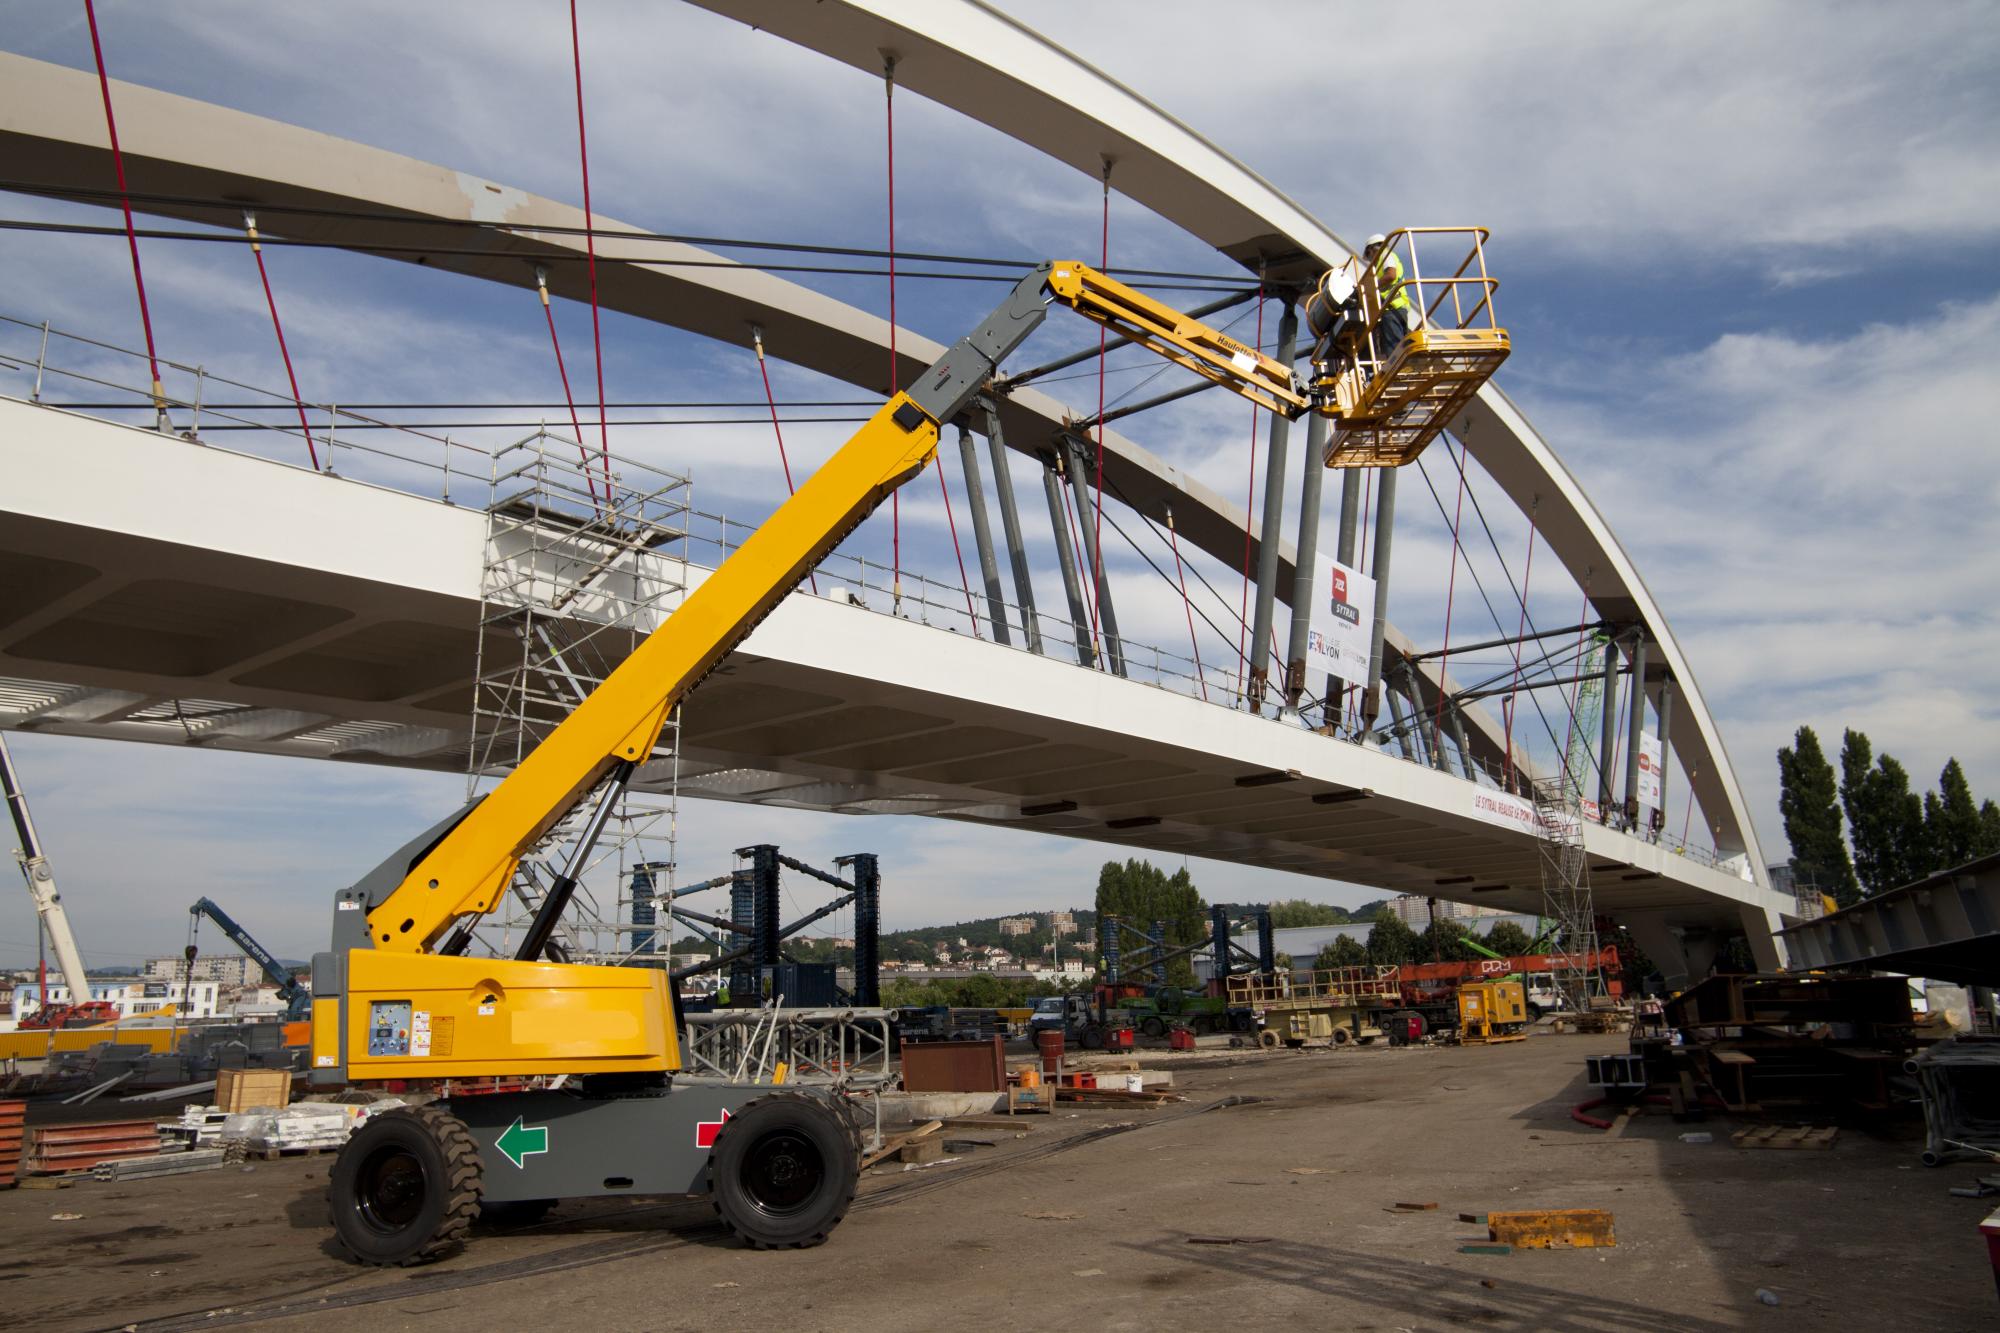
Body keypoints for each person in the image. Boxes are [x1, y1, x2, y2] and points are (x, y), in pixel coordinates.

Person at [1362, 232, 1413, 360]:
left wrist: (1372, 288)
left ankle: (1399, 368)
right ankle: (1401, 365)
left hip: (1393, 307)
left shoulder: (1385, 256)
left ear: (1373, 249)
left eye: (1369, 255)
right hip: (1395, 306)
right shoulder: (1384, 259)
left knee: (1394, 347)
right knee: (1397, 344)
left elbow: (1391, 275)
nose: (1370, 260)